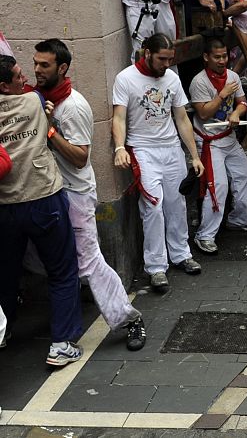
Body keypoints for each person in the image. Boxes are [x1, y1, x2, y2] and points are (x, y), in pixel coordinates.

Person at [28, 39, 146, 351]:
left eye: (45, 65)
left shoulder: (73, 106)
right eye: (35, 63)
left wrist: (50, 130)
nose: (37, 70)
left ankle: (128, 319)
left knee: (90, 261)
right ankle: (74, 290)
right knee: (34, 254)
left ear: (62, 68)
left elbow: (80, 157)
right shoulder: (38, 99)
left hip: (75, 195)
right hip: (46, 194)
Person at [0, 54, 84, 366]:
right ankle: (61, 343)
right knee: (62, 271)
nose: (26, 78)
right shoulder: (34, 101)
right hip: (42, 196)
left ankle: (3, 331)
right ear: (4, 86)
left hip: (5, 205)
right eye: (18, 76)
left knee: (6, 274)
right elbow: (40, 93)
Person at [112, 34, 204, 291]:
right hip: (142, 149)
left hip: (171, 148)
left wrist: (193, 155)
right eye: (162, 59)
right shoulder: (126, 78)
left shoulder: (172, 79)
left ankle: (181, 254)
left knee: (176, 203)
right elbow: (118, 117)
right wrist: (120, 147)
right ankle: (155, 267)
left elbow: (182, 119)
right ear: (146, 53)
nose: (166, 64)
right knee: (153, 207)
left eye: (170, 59)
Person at [189, 39, 247, 254]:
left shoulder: (233, 76)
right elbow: (203, 113)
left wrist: (237, 113)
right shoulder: (199, 82)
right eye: (217, 57)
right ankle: (205, 235)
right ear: (206, 57)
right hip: (209, 142)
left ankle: (237, 219)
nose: (221, 61)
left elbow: (243, 102)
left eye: (224, 56)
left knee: (245, 176)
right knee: (217, 187)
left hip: (229, 137)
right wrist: (222, 95)